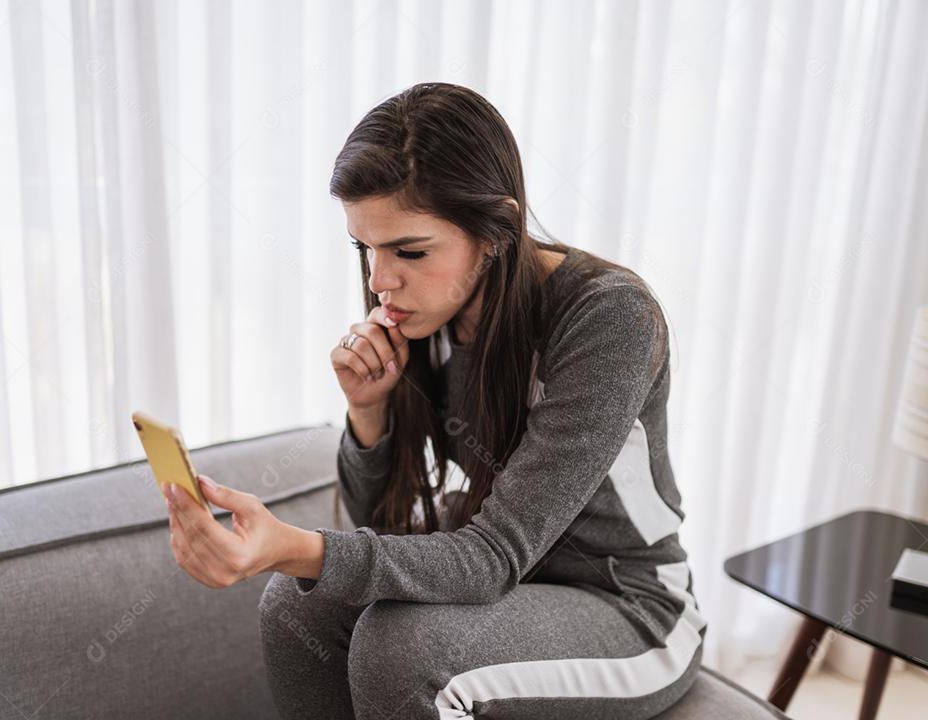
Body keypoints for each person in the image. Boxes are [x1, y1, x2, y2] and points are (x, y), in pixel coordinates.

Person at [164, 82, 706, 719]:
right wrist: (369, 414)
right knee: (296, 603)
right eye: (365, 247)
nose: (378, 281)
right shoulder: (426, 316)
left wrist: (293, 546)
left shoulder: (608, 317)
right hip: (516, 589)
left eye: (409, 251)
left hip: (630, 605)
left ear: (497, 230)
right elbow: (381, 523)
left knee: (399, 646)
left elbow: (490, 557)